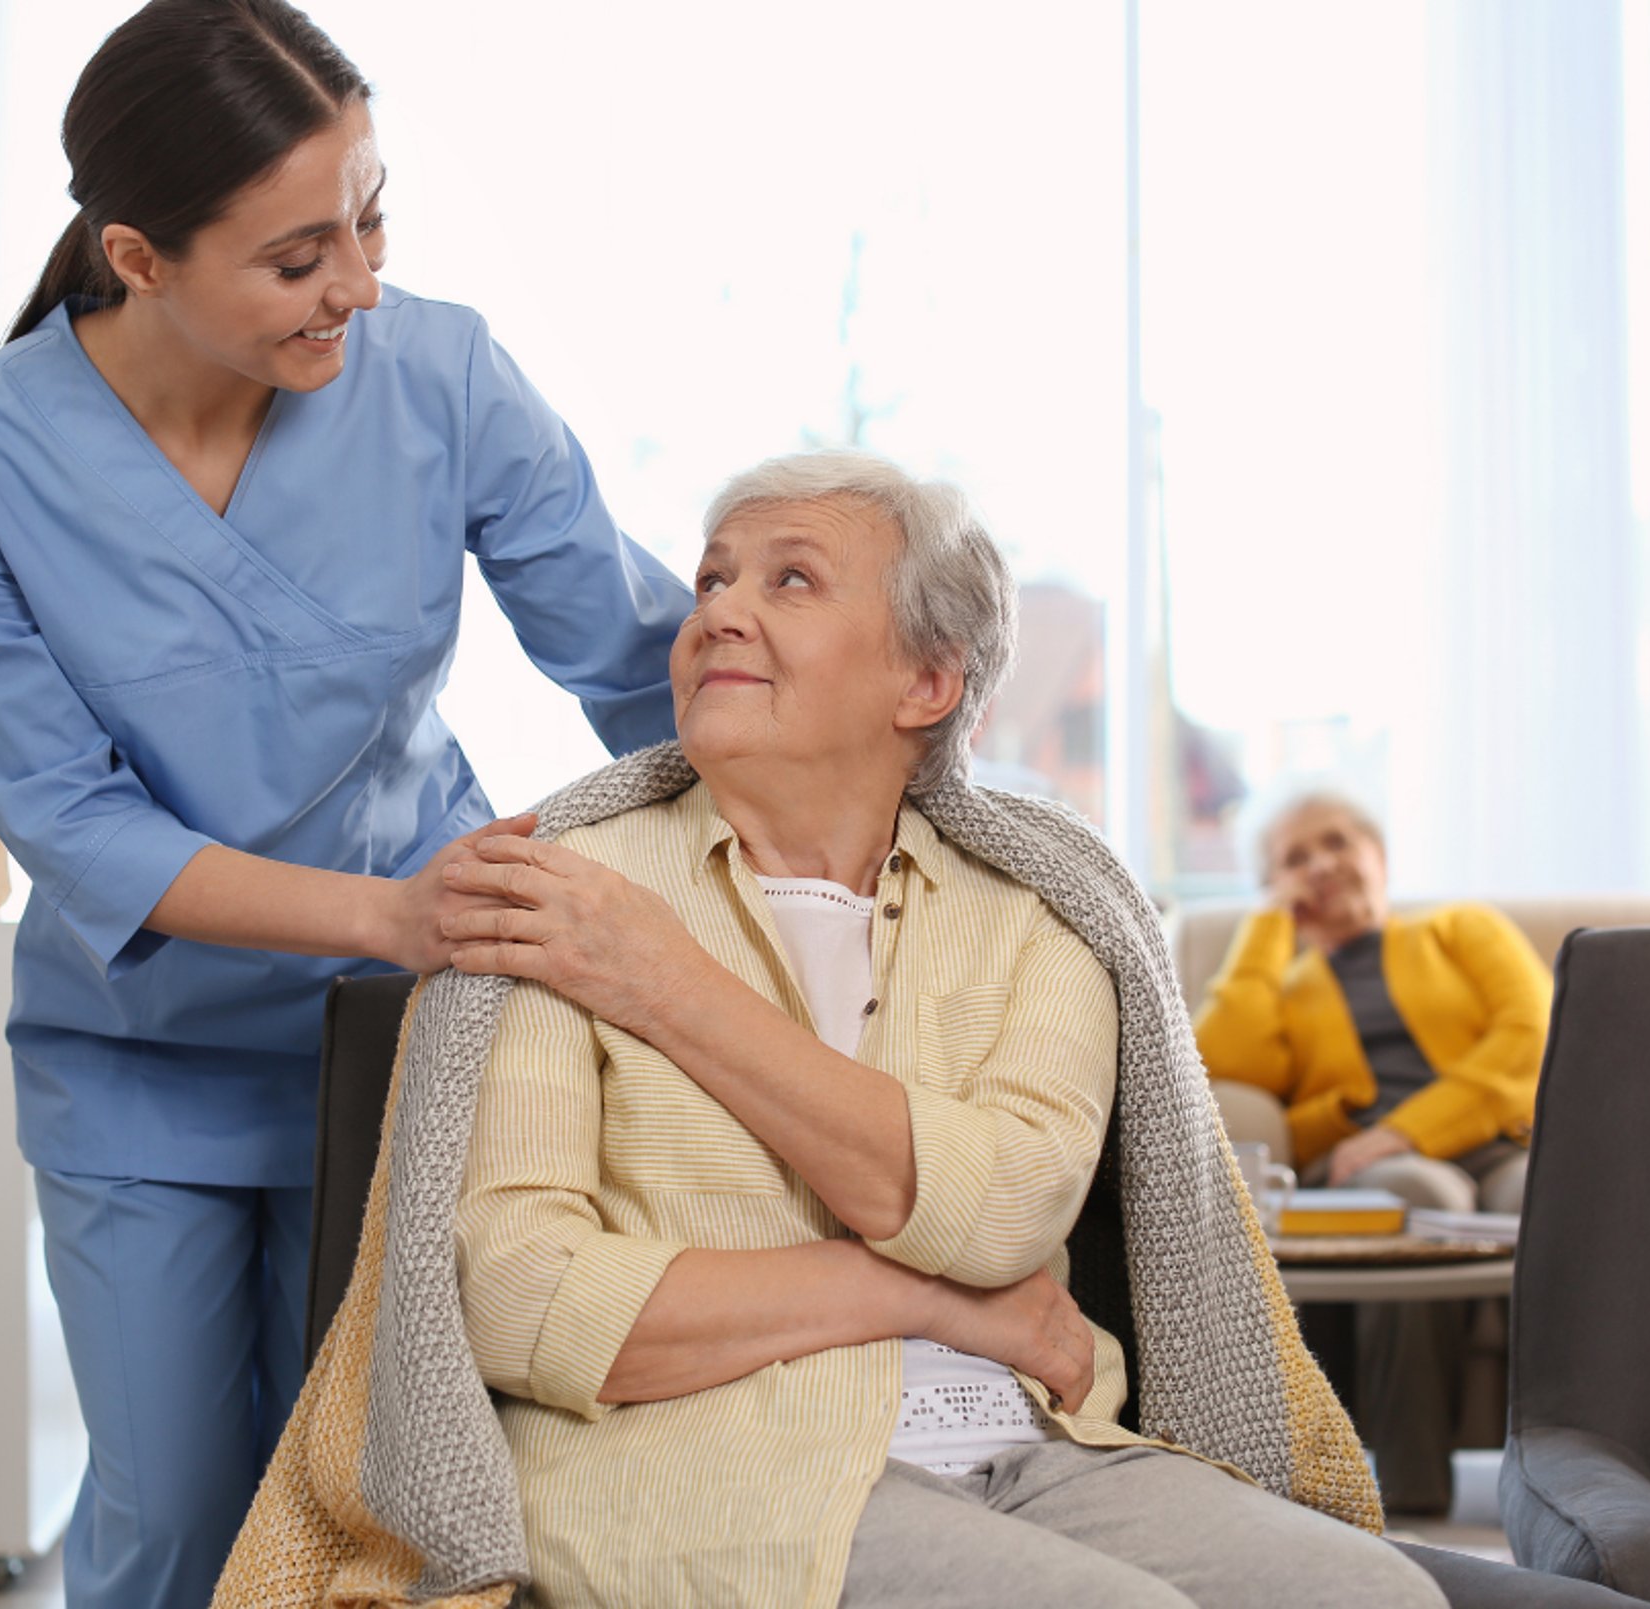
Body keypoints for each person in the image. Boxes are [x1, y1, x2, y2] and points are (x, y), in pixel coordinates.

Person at [0, 3, 688, 1604]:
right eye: (301, 255)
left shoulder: (440, 375)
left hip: (409, 1047)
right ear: (138, 256)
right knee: (182, 1519)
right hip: (145, 1067)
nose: (362, 286)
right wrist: (391, 914)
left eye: (374, 216)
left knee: (378, 1515)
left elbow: (630, 652)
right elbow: (64, 812)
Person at [426, 453, 1443, 1607]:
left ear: (926, 681)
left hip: (1042, 1449)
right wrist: (928, 1299)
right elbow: (519, 1297)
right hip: (715, 1464)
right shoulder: (571, 896)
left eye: (790, 580)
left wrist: (667, 982)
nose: (718, 610)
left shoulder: (1044, 909)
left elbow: (1006, 1210)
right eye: (713, 579)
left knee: (1383, 1598)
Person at [1193, 791, 1552, 1513]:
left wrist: (1409, 1128)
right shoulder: (1288, 988)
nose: (1321, 864)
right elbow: (1219, 1060)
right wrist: (1268, 923)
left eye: (1336, 843)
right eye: (1295, 859)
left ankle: (1563, 1476)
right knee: (1419, 1195)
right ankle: (1411, 1498)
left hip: (1500, 1141)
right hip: (1376, 1169)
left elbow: (1531, 1033)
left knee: (1544, 1200)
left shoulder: (1462, 928)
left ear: (1377, 856)